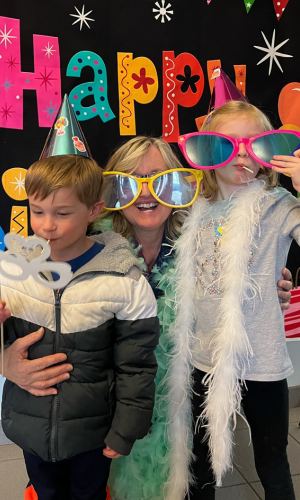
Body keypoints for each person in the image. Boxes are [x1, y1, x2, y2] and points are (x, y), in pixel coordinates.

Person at [0, 137, 293, 500]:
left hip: (185, 416)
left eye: (160, 178)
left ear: (180, 185)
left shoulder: (204, 242)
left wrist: (268, 287)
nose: (145, 193)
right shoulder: (79, 245)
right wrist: (5, 362)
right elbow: (33, 316)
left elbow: (243, 281)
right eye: (130, 180)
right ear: (107, 195)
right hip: (101, 423)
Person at [0, 153, 159, 500]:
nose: (46, 225)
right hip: (30, 426)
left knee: (88, 494)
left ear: (93, 211)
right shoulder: (9, 272)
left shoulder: (123, 279)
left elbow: (137, 364)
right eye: (37, 210)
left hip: (94, 432)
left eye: (62, 213)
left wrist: (126, 429)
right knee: (44, 492)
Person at [167, 100, 300, 500]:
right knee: (199, 459)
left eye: (254, 143)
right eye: (228, 143)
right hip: (202, 359)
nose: (241, 153)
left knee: (273, 459)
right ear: (208, 151)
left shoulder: (279, 206)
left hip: (262, 359)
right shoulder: (195, 209)